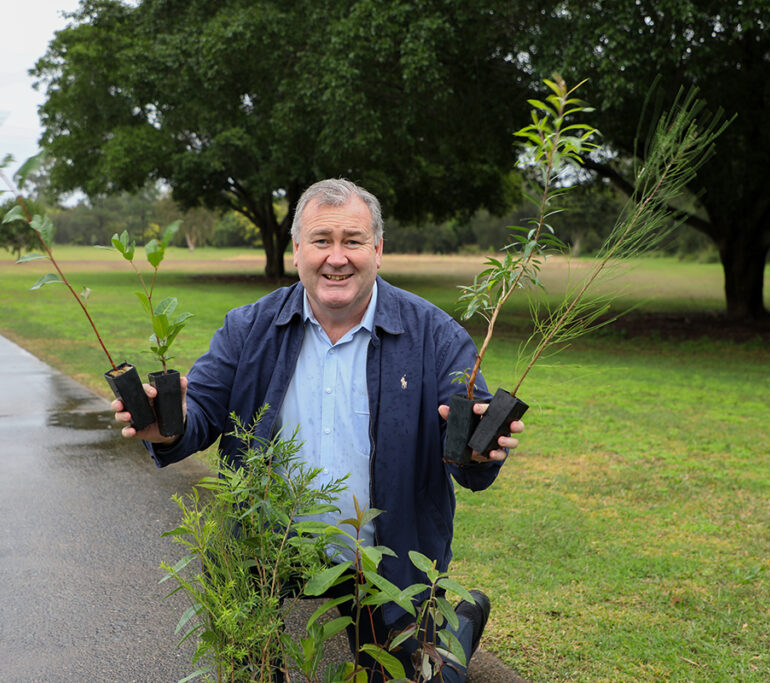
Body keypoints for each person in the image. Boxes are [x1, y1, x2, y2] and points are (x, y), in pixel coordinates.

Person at [113, 178, 523, 681]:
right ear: (297, 249)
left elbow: (465, 442)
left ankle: (457, 621)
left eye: (352, 241)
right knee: (252, 671)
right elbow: (201, 408)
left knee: (418, 676)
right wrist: (165, 427)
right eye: (322, 240)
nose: (337, 257)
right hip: (270, 547)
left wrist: (480, 449)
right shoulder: (249, 328)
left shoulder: (434, 335)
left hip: (384, 554)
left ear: (377, 249)